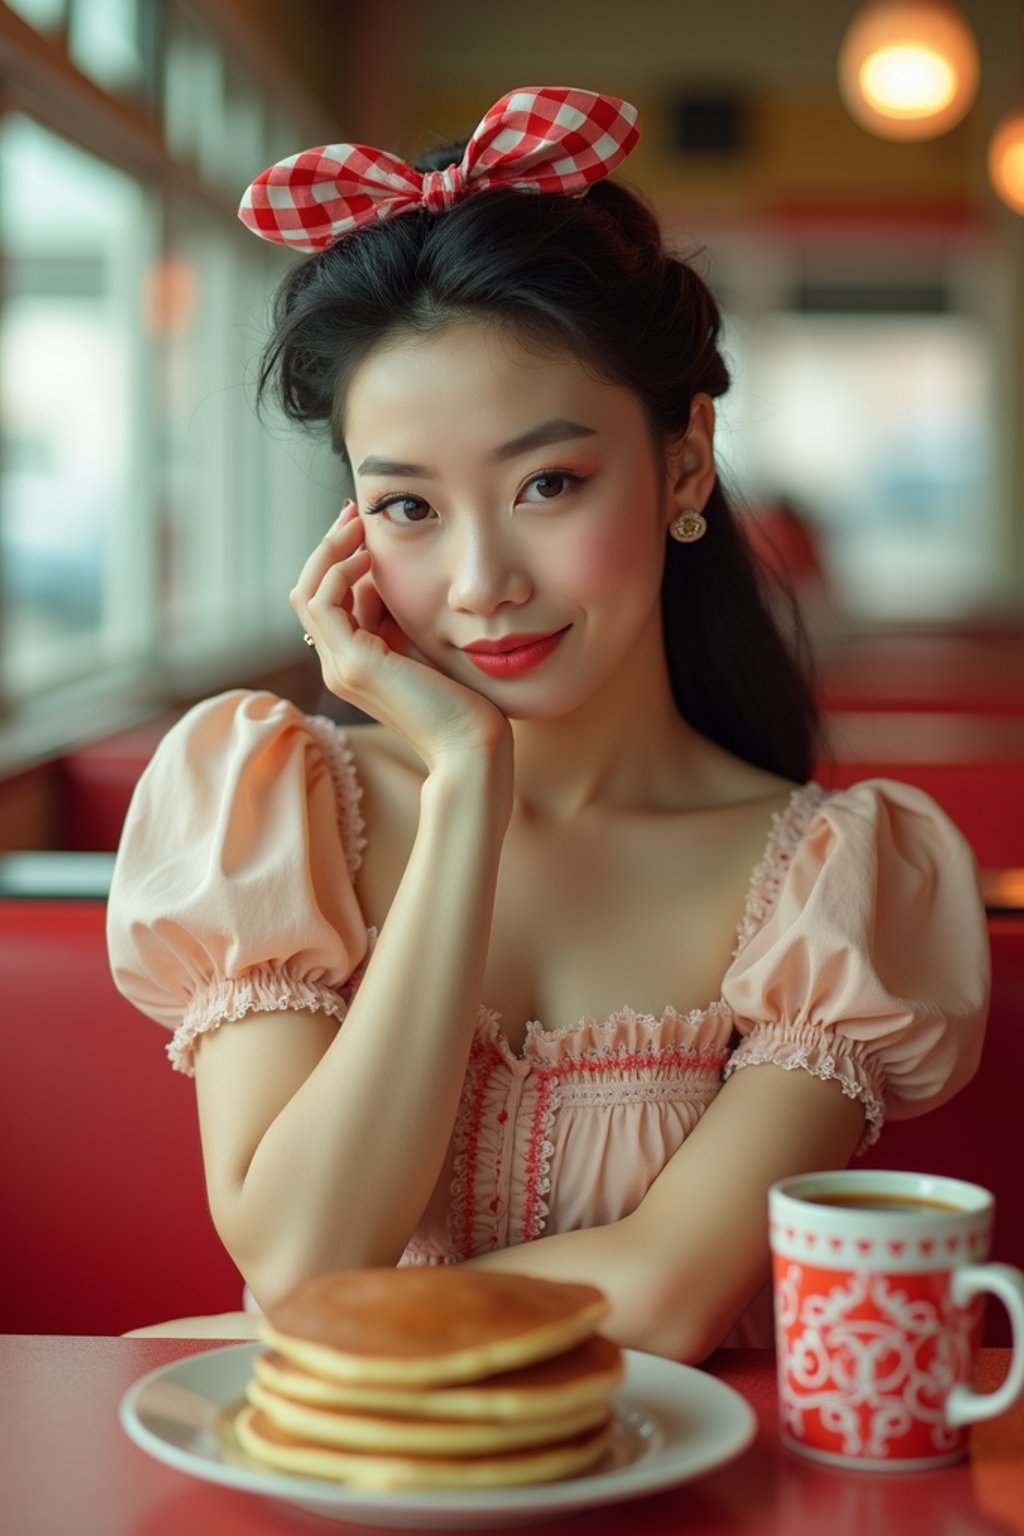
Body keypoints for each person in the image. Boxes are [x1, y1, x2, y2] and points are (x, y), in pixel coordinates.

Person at [107, 87, 989, 1356]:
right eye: (407, 506)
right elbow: (300, 1242)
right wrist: (466, 780)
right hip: (328, 1488)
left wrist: (303, 1324)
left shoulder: (832, 885)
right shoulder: (269, 804)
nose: (479, 582)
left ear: (684, 461)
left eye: (549, 483)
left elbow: (669, 1299)